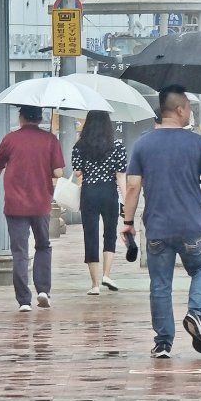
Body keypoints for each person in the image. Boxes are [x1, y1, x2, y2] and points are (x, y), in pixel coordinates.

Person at [121, 84, 201, 359]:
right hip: (191, 226)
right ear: (179, 110)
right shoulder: (196, 142)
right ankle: (195, 314)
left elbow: (132, 187)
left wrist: (127, 221)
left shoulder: (143, 143)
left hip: (157, 227)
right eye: (188, 107)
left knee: (160, 284)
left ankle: (163, 342)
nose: (190, 112)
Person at [0, 105, 65, 312]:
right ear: (39, 119)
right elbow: (58, 172)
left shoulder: (10, 139)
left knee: (20, 251)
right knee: (43, 246)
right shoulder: (50, 140)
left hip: (15, 203)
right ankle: (43, 291)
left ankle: (24, 302)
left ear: (21, 118)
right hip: (41, 202)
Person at [72, 111, 127, 296]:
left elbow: (78, 173)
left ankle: (94, 284)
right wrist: (126, 201)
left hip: (89, 192)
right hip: (109, 191)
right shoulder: (117, 146)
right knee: (109, 234)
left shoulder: (80, 146)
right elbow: (121, 175)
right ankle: (107, 274)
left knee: (91, 236)